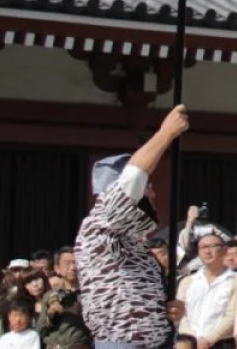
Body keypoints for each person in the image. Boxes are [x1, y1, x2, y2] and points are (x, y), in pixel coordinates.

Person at [77, 105, 191, 349]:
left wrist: (167, 311)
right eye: (146, 186)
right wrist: (165, 134)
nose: (151, 191)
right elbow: (132, 179)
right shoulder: (100, 223)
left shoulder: (131, 239)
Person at [176, 233, 237, 349]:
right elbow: (180, 314)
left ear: (224, 250)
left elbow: (232, 316)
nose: (207, 251)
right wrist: (193, 338)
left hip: (221, 344)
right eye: (203, 247)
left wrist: (209, 339)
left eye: (212, 246)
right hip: (188, 343)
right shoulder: (187, 281)